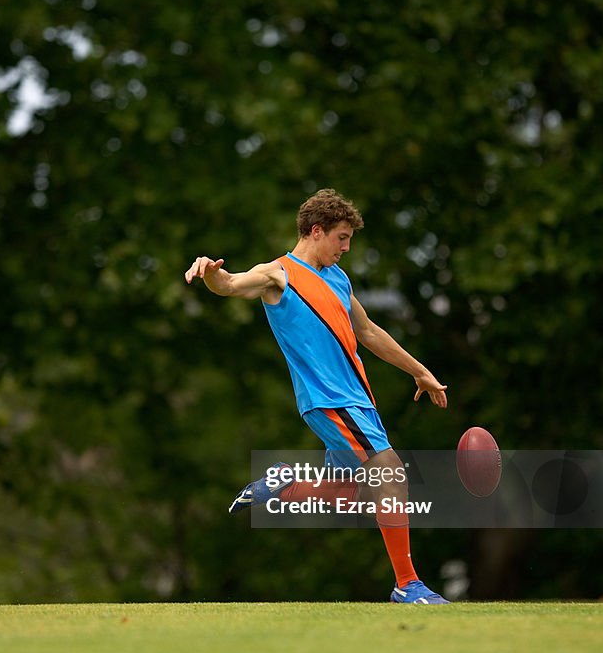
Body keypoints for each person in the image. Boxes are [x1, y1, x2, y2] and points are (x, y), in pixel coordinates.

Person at [184, 189, 450, 604]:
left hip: (359, 401)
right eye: (341, 238)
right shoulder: (279, 274)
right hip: (329, 401)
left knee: (357, 497)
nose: (346, 248)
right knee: (390, 473)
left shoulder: (338, 279)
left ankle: (286, 485)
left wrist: (420, 371)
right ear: (315, 231)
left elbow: (369, 332)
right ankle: (408, 584)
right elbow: (232, 284)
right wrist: (210, 273)